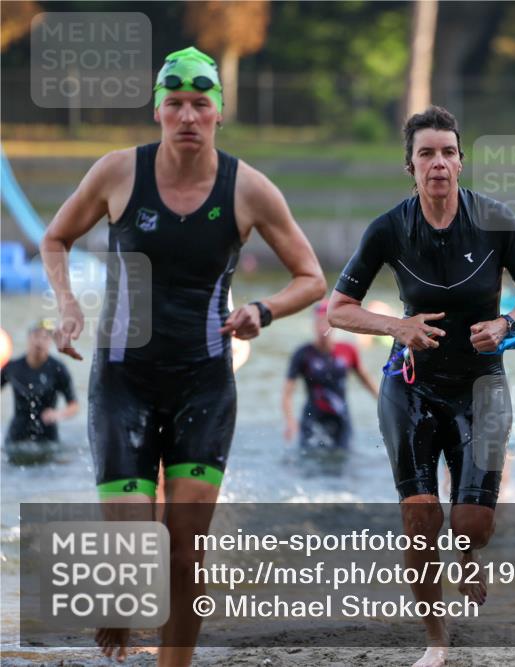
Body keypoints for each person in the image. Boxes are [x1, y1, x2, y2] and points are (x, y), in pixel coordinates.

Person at [40, 46, 326, 665]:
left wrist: (263, 310)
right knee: (134, 549)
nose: (188, 116)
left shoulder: (248, 188)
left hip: (203, 383)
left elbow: (311, 277)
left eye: (201, 104)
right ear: (158, 112)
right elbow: (56, 237)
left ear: (220, 113)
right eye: (175, 104)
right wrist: (67, 305)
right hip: (122, 380)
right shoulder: (118, 173)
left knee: (185, 551)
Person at [327, 105, 515, 667]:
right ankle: (436, 641)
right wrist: (397, 325)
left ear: (461, 162)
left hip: (482, 385)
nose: (438, 163)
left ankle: (469, 552)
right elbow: (338, 310)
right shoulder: (389, 228)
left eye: (448, 152)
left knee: (471, 523)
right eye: (427, 154)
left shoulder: (495, 219)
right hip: (411, 384)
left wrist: (507, 323)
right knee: (421, 521)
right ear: (411, 166)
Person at [282, 301, 379, 450]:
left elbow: (366, 380)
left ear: (334, 325)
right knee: (308, 462)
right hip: (312, 417)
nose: (322, 327)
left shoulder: (348, 350)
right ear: (313, 324)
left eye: (326, 322)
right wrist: (290, 421)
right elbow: (287, 392)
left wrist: (382, 403)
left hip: (341, 418)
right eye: (318, 322)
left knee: (344, 460)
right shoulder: (302, 354)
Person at [1, 319, 79, 463]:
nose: (40, 341)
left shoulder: (58, 368)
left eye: (45, 337)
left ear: (50, 341)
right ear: (28, 338)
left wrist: (57, 414)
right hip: (16, 437)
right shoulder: (12, 367)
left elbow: (74, 405)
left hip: (48, 438)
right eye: (36, 335)